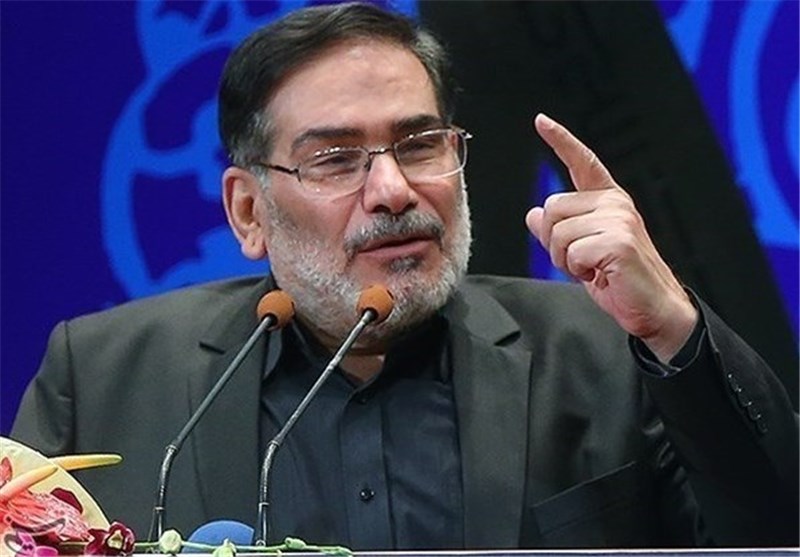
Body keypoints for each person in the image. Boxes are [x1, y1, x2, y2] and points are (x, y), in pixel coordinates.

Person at [11, 2, 798, 550]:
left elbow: (775, 528)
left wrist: (670, 325)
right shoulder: (105, 377)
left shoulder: (605, 350)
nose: (393, 189)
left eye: (420, 145)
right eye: (336, 159)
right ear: (248, 211)